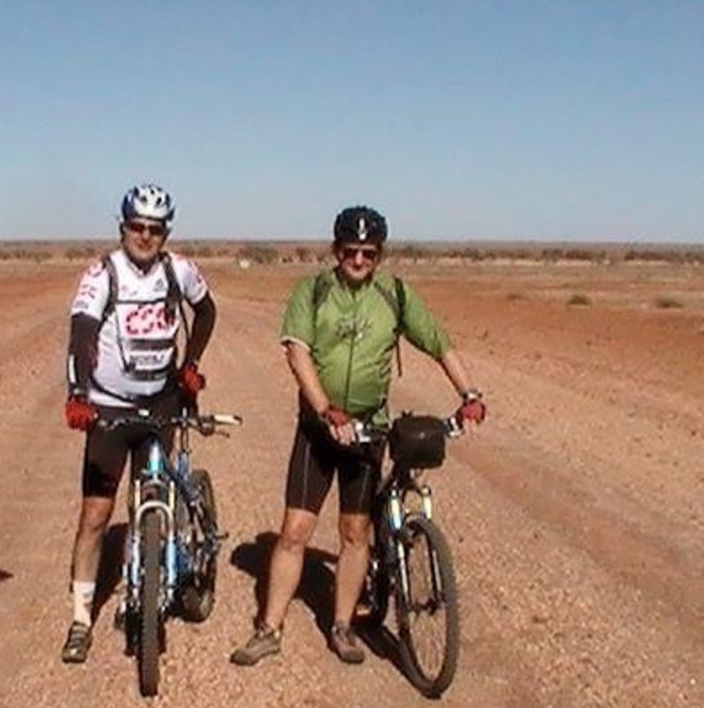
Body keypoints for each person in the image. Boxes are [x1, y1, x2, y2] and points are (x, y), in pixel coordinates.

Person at [230, 205, 486, 666]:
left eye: (369, 252)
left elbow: (439, 342)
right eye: (351, 251)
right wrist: (326, 409)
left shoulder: (395, 295)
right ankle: (268, 629)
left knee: (354, 532)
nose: (360, 260)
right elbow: (297, 353)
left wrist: (469, 392)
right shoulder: (312, 292)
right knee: (295, 532)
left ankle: (343, 626)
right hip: (319, 430)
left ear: (380, 254)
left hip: (369, 429)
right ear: (336, 249)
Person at [59, 184, 217, 663]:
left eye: (154, 229)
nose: (145, 236)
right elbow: (81, 332)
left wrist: (190, 364)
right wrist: (77, 394)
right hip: (108, 407)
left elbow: (206, 311)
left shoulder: (180, 270)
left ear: (165, 232)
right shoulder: (102, 274)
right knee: (96, 517)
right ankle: (81, 619)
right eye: (136, 227)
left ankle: (162, 565)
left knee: (158, 491)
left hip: (161, 403)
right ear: (122, 226)